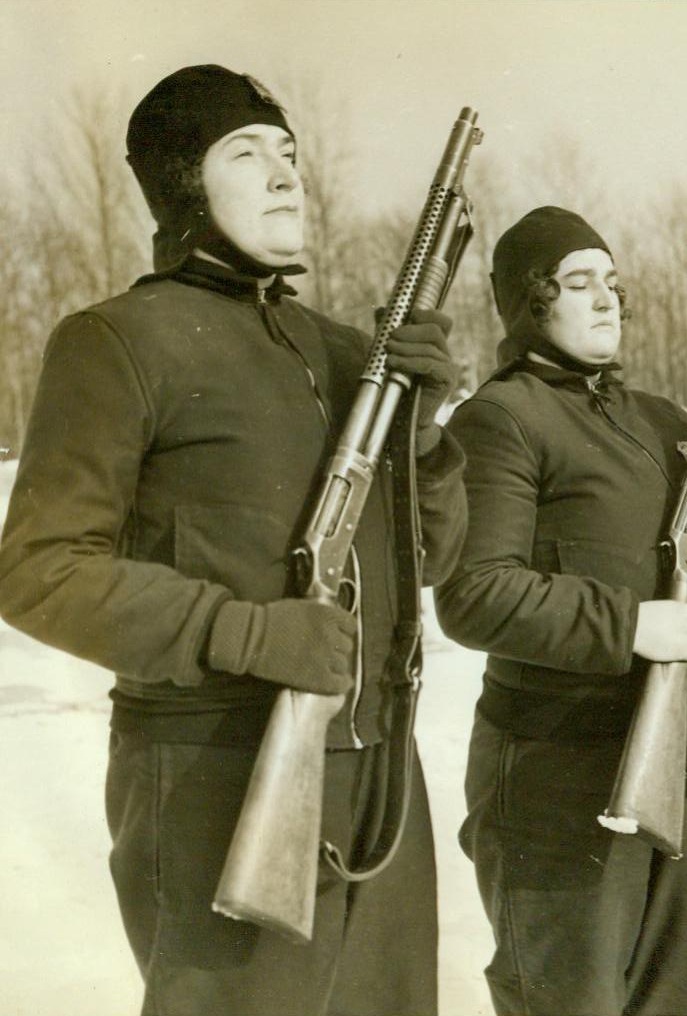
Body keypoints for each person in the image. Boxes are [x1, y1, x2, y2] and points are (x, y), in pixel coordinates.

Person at [0, 65, 466, 1016]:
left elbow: (437, 557)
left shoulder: (349, 353)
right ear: (184, 188)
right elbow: (38, 572)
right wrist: (246, 634)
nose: (286, 173)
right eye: (246, 154)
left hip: (378, 783)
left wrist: (422, 435)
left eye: (289, 152)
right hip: (215, 777)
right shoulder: (117, 340)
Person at [433, 206, 687, 1016]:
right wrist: (629, 625)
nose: (606, 299)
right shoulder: (502, 418)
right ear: (530, 301)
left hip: (681, 765)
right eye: (578, 282)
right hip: (562, 774)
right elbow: (473, 592)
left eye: (613, 283)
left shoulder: (664, 420)